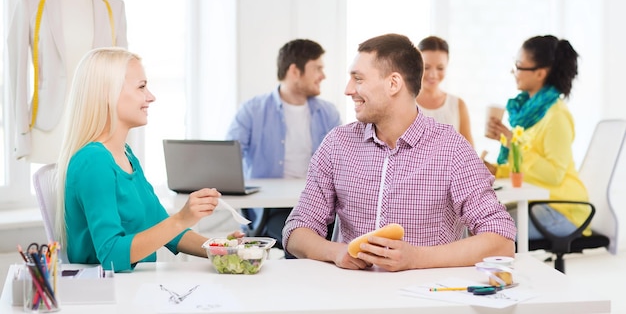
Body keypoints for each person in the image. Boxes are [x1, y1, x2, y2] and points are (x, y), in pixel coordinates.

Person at [283, 33, 516, 271]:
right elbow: (296, 231)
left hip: (428, 298)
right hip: (351, 297)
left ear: (393, 84)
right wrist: (337, 252)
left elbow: (501, 241)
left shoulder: (451, 148)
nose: (348, 89)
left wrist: (416, 259)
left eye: (358, 79)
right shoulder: (337, 144)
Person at [56, 47, 242, 272]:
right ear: (109, 93)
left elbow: (163, 226)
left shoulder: (126, 155)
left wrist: (218, 248)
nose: (151, 97)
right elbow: (112, 255)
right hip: (108, 296)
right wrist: (182, 218)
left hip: (133, 287)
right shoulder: (93, 162)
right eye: (141, 87)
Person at [226, 39, 341, 251]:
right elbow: (226, 162)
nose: (322, 76)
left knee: (334, 237)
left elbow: (343, 164)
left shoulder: (328, 113)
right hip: (272, 209)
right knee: (302, 242)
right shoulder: (252, 111)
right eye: (317, 68)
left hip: (318, 206)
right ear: (295, 71)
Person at [7, 0, 128, 163]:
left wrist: (121, 137)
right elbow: (17, 71)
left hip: (98, 128)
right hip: (48, 128)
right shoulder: (31, 3)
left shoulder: (113, 8)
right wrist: (21, 133)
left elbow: (123, 77)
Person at [484, 35, 588, 240]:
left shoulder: (556, 116)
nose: (513, 71)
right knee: (476, 222)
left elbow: (553, 175)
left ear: (540, 73)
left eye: (519, 66)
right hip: (538, 204)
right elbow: (524, 167)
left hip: (562, 210)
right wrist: (497, 169)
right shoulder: (527, 115)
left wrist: (514, 142)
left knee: (488, 231)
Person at [416, 36, 474, 146]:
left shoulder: (457, 105)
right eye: (426, 67)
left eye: (440, 68)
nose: (433, 75)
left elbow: (470, 153)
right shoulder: (405, 103)